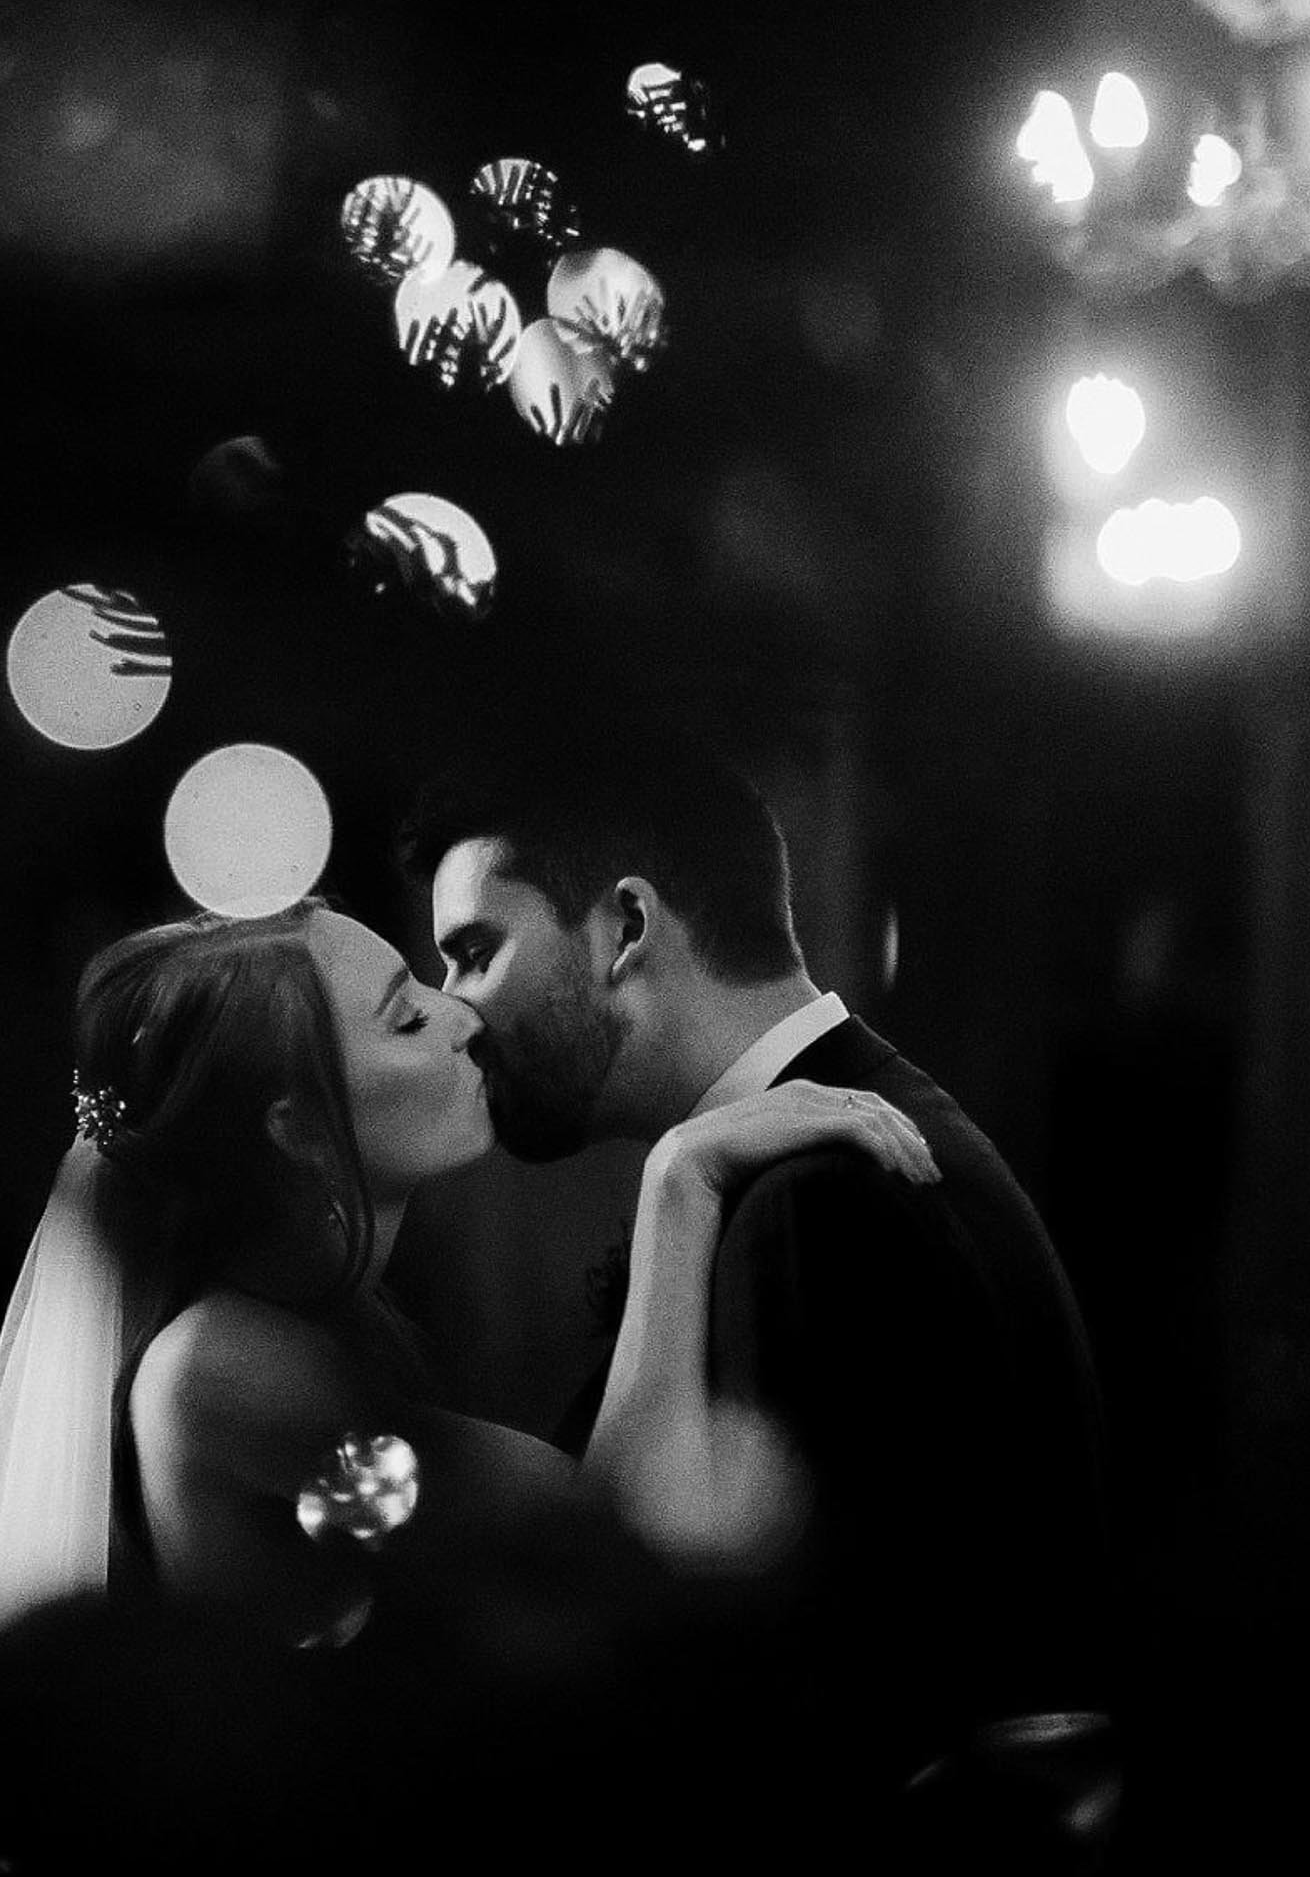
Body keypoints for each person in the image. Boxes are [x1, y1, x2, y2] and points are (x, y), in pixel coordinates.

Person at [398, 722, 1117, 1840]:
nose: (454, 1007)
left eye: (475, 949)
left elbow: (788, 1686)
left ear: (624, 927)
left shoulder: (811, 1195)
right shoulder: (825, 1138)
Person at [0, 898, 939, 1659]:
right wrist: (678, 1185)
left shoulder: (326, 1326)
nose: (460, 1013)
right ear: (297, 1126)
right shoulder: (224, 1372)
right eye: (404, 1018)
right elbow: (626, 1538)